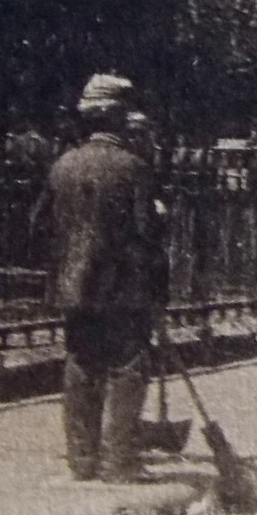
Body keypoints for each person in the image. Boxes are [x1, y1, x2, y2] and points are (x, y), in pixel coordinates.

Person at [39, 74, 168, 482]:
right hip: (124, 286)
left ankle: (82, 460)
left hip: (74, 286)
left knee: (80, 363)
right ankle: (121, 463)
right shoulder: (134, 169)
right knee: (127, 366)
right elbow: (148, 233)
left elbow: (38, 224)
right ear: (115, 120)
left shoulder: (62, 166)